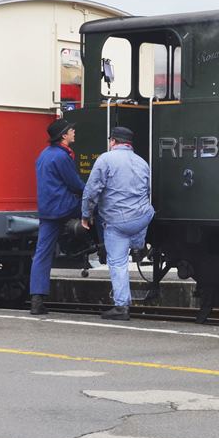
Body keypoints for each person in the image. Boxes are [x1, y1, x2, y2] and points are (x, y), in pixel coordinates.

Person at [81, 126, 155, 321]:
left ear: (113, 141)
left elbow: (92, 190)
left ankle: (121, 306)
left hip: (119, 222)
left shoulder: (105, 159)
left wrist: (86, 214)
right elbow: (148, 191)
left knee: (118, 262)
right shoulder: (142, 162)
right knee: (140, 218)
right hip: (142, 218)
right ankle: (138, 245)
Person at [32, 119, 85, 315]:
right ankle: (102, 246)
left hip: (47, 210)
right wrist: (92, 193)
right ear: (64, 136)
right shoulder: (62, 157)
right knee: (98, 210)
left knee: (42, 253)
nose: (74, 132)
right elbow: (75, 184)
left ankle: (37, 299)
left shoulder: (44, 154)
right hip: (64, 206)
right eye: (71, 130)